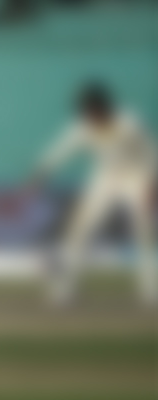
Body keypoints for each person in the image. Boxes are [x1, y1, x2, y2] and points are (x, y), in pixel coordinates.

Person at [32, 82, 157, 305]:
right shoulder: (84, 127)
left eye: (92, 111)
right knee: (79, 229)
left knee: (144, 231)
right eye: (86, 112)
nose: (89, 116)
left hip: (135, 176)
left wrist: (151, 186)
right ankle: (63, 290)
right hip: (105, 178)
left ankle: (150, 290)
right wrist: (42, 170)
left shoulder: (129, 122)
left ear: (103, 107)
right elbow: (62, 148)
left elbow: (149, 153)